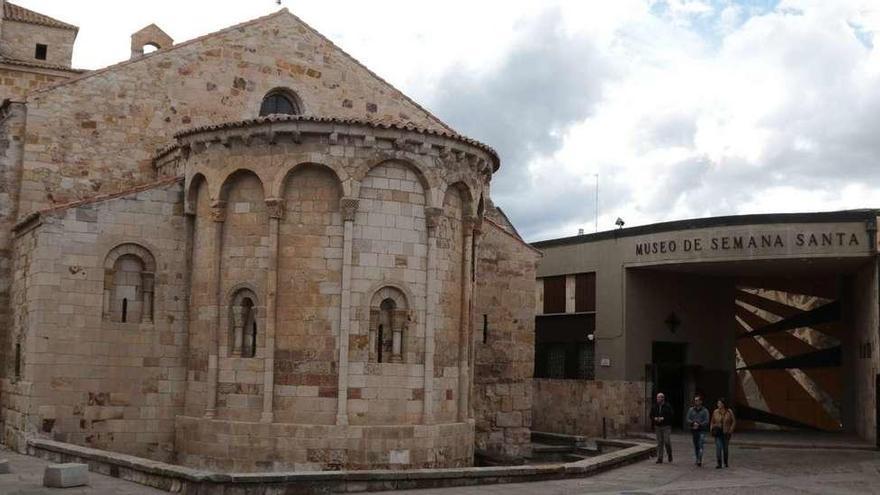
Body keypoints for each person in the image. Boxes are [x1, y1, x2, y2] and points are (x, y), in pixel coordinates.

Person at [710, 397, 736, 468]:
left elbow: (733, 421)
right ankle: (719, 463)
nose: (718, 404)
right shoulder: (715, 411)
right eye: (718, 403)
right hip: (718, 433)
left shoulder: (729, 411)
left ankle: (725, 462)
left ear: (723, 404)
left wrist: (731, 430)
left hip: (726, 433)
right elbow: (712, 421)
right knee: (718, 448)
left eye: (720, 403)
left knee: (725, 449)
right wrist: (711, 429)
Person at [686, 395, 709, 466]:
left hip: (702, 430)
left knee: (700, 444)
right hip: (694, 430)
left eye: (697, 400)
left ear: (701, 401)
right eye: (695, 400)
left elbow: (707, 420)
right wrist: (693, 423)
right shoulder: (691, 410)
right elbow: (687, 419)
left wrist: (699, 424)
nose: (696, 402)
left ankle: (699, 459)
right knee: (696, 445)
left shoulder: (705, 410)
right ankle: (697, 458)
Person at [650, 392, 674, 463]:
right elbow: (651, 415)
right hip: (658, 426)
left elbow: (671, 415)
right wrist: (654, 418)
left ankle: (669, 454)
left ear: (663, 398)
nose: (658, 399)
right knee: (659, 442)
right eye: (657, 397)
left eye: (659, 397)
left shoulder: (667, 406)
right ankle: (660, 458)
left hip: (666, 426)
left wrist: (663, 418)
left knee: (667, 441)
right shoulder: (654, 406)